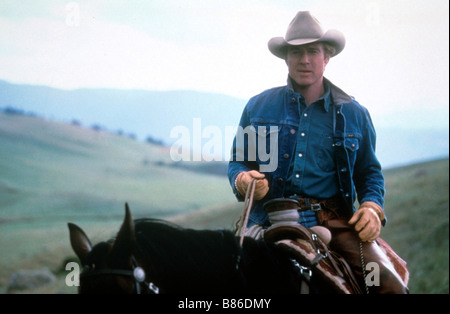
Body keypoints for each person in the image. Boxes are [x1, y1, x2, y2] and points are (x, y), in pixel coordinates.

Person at [228, 11, 408, 293]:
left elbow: (369, 173)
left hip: (333, 223)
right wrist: (243, 180)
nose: (305, 60)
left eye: (313, 51)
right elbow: (238, 161)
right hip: (266, 220)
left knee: (384, 283)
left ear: (327, 57)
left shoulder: (354, 114)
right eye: (296, 52)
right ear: (286, 57)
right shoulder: (257, 107)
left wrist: (372, 207)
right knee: (228, 281)